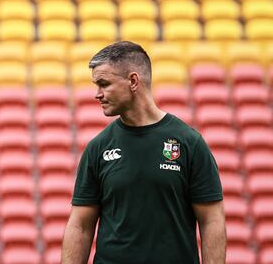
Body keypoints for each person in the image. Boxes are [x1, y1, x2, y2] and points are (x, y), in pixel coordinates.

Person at [61, 41, 226, 264]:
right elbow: (80, 225)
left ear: (133, 81)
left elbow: (212, 221)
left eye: (104, 84)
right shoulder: (98, 148)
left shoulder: (189, 143)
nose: (97, 94)